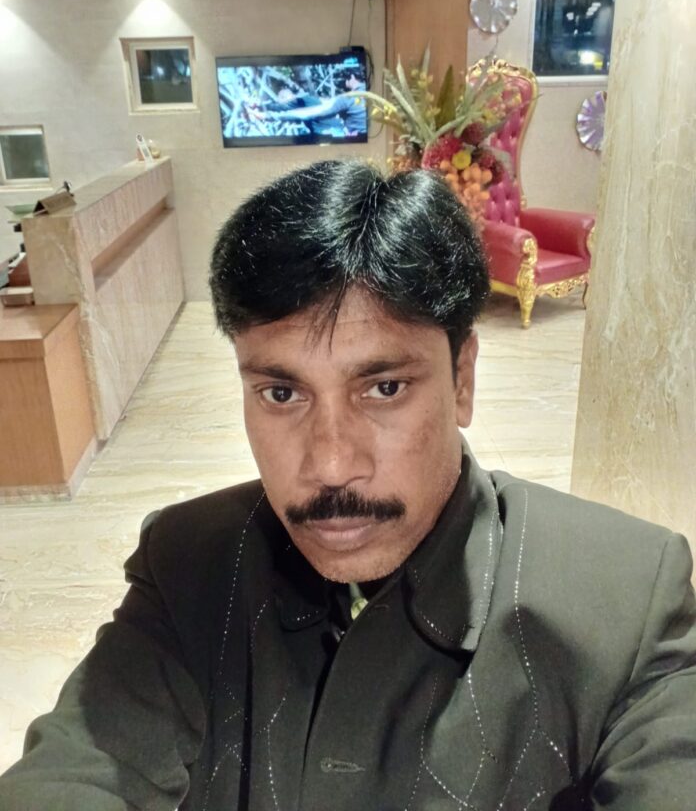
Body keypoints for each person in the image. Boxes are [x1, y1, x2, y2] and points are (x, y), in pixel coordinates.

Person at [0, 161, 695, 810]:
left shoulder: (627, 601)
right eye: (281, 393)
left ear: (462, 379)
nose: (331, 465)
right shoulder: (189, 564)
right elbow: (79, 767)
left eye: (384, 387)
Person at [270, 71, 367, 136]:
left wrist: (270, 116)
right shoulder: (367, 93)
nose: (344, 81)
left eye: (345, 78)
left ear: (352, 77)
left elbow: (306, 113)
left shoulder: (348, 98)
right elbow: (330, 103)